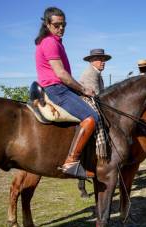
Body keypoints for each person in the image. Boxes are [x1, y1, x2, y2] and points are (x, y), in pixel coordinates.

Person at [35, 7, 98, 178]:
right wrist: (83, 89)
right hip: (57, 89)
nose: (61, 28)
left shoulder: (55, 41)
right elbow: (61, 74)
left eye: (63, 25)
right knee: (92, 118)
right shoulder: (49, 42)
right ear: (47, 24)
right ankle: (71, 161)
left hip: (61, 88)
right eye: (57, 25)